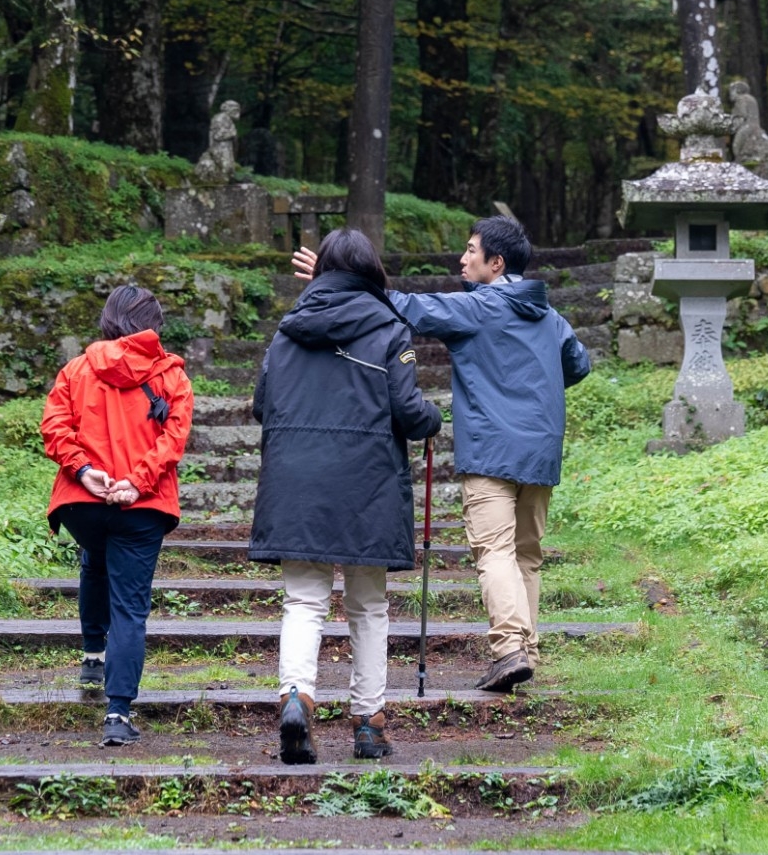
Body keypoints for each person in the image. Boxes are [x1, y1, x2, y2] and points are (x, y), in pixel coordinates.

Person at [292, 215, 590, 695]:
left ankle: (509, 648)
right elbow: (578, 364)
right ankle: (527, 649)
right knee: (526, 555)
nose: (462, 258)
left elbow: (409, 308)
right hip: (541, 448)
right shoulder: (550, 316)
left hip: (492, 448)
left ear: (496, 263)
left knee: (494, 550)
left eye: (471, 251)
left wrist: (341, 282)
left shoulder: (479, 307)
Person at [253, 229, 443, 764]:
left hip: (297, 481)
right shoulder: (389, 329)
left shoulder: (287, 331)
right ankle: (368, 722)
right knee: (368, 606)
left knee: (304, 601)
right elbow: (408, 411)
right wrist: (432, 419)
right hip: (367, 483)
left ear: (320, 274)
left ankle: (296, 697)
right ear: (372, 271)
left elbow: (262, 405)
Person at [40, 283, 196, 747]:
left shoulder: (77, 369)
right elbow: (174, 440)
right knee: (130, 607)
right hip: (141, 507)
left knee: (95, 556)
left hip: (83, 504)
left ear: (109, 320)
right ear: (153, 326)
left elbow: (54, 426)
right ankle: (118, 714)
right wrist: (136, 481)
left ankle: (92, 653)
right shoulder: (172, 378)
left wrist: (84, 471)